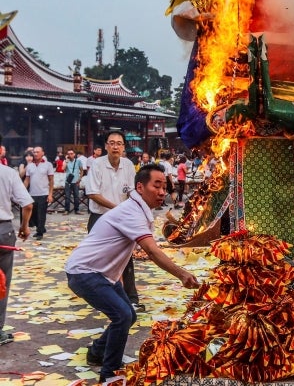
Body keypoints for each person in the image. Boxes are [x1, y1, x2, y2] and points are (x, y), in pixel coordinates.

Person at [65, 163, 200, 380]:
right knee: (122, 315)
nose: (162, 192)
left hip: (103, 274)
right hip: (85, 272)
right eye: (156, 186)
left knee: (129, 315)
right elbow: (152, 251)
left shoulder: (137, 210)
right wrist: (182, 273)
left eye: (164, 187)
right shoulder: (130, 212)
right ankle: (110, 376)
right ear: (139, 187)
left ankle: (97, 352)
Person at [85, 131, 142, 311]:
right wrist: (117, 208)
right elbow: (92, 193)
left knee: (126, 257)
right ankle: (102, 298)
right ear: (106, 146)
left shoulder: (128, 165)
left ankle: (131, 298)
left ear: (124, 147)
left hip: (122, 217)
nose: (116, 146)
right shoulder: (97, 165)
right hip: (100, 217)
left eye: (119, 143)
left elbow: (132, 191)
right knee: (99, 260)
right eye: (112, 143)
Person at [0, 136, 33, 345]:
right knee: (1, 282)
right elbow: (27, 204)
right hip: (2, 232)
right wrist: (24, 227)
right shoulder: (8, 173)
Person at [23, 146, 54, 240]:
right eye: (34, 152)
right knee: (34, 214)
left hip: (43, 193)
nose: (35, 154)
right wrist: (22, 191)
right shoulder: (29, 165)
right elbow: (27, 180)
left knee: (41, 214)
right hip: (32, 193)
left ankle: (40, 232)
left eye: (37, 152)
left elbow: (51, 180)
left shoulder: (48, 165)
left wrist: (50, 194)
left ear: (42, 153)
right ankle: (40, 228)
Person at [63, 149, 84, 214]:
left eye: (71, 153)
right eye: (69, 154)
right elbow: (63, 169)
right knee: (67, 196)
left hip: (76, 181)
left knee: (76, 196)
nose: (70, 155)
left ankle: (77, 210)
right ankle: (67, 210)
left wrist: (80, 179)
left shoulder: (78, 161)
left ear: (74, 154)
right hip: (68, 181)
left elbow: (82, 170)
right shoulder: (66, 161)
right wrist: (66, 161)